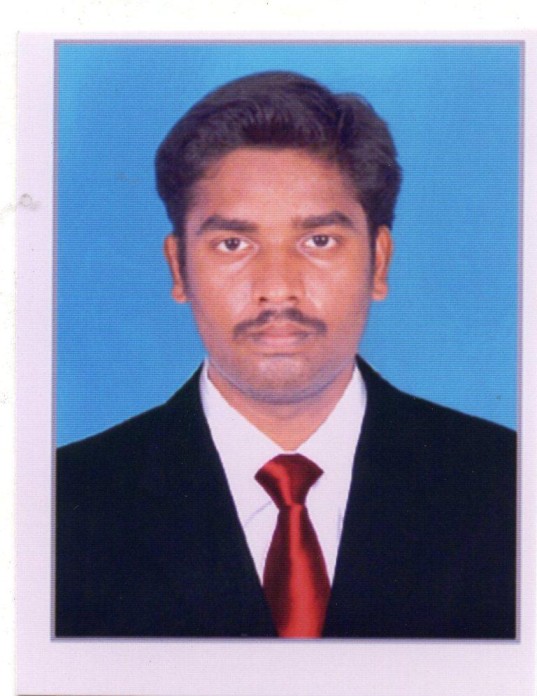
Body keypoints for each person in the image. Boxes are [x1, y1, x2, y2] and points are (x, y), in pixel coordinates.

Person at [55, 71, 516, 639]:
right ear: (179, 268)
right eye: (233, 244)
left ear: (379, 261)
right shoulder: (60, 503)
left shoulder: (507, 485)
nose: (277, 289)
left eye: (319, 241)